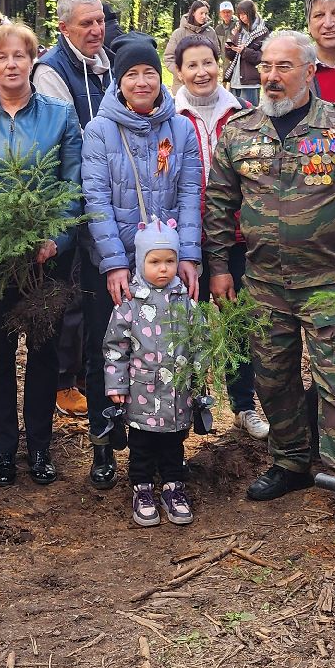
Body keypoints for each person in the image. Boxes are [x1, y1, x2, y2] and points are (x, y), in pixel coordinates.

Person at [206, 30, 335, 536]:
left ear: (310, 71)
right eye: (265, 67)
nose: (271, 77)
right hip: (264, 282)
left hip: (327, 279)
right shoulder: (239, 130)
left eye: (284, 67)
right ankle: (290, 461)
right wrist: (219, 266)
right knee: (272, 377)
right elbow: (218, 204)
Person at [0, 21, 85, 485]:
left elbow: (72, 183)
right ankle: (3, 450)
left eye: (20, 56)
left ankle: (39, 447)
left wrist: (54, 237)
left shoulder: (59, 115)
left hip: (48, 258)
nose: (11, 64)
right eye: (1, 57)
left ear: (33, 60)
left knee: (43, 351)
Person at [82, 33, 203, 488]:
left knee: (170, 351)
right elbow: (95, 199)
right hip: (117, 266)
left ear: (161, 76)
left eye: (149, 71)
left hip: (168, 264)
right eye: (131, 73)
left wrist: (188, 255)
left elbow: (191, 192)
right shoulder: (99, 130)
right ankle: (106, 443)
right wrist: (115, 264)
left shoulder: (181, 129)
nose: (141, 81)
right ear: (118, 81)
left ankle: (168, 449)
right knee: (112, 350)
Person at [171, 33, 269, 440]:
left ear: (220, 65)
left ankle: (244, 405)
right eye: (191, 65)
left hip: (236, 238)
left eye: (207, 62)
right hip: (186, 240)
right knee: (185, 324)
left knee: (236, 322)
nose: (201, 72)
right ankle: (191, 402)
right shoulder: (169, 119)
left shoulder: (244, 114)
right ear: (178, 71)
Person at [33, 0, 114, 418]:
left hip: (104, 192)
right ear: (63, 28)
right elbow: (68, 138)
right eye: (86, 23)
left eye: (100, 20)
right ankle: (64, 381)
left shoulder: (107, 66)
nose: (97, 30)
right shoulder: (50, 70)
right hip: (69, 193)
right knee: (69, 291)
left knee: (93, 288)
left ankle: (87, 371)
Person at [104, 220, 200, 527]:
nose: (163, 269)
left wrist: (199, 376)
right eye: (155, 262)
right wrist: (116, 384)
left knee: (174, 443)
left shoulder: (185, 301)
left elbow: (199, 340)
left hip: (176, 393)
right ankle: (142, 488)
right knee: (142, 443)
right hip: (142, 392)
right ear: (140, 262)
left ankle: (174, 487)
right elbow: (115, 348)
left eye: (170, 261)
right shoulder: (129, 304)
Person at [225, 0, 268, 105]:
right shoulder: (239, 30)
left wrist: (245, 51)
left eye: (244, 14)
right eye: (239, 15)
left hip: (250, 83)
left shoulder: (262, 31)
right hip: (235, 81)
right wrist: (229, 48)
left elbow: (263, 57)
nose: (241, 17)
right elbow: (231, 57)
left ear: (251, 13)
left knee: (250, 115)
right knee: (234, 116)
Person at [163, 0, 214, 75]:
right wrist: (181, 73)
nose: (204, 16)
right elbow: (169, 57)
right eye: (201, 13)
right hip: (182, 82)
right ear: (193, 12)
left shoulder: (211, 32)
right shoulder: (178, 33)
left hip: (204, 79)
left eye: (206, 14)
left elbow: (215, 55)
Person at [214, 0, 239, 69]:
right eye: (223, 12)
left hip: (238, 61)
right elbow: (217, 46)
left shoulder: (238, 25)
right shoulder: (218, 29)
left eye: (228, 12)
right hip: (225, 63)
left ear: (232, 12)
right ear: (220, 14)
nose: (226, 14)